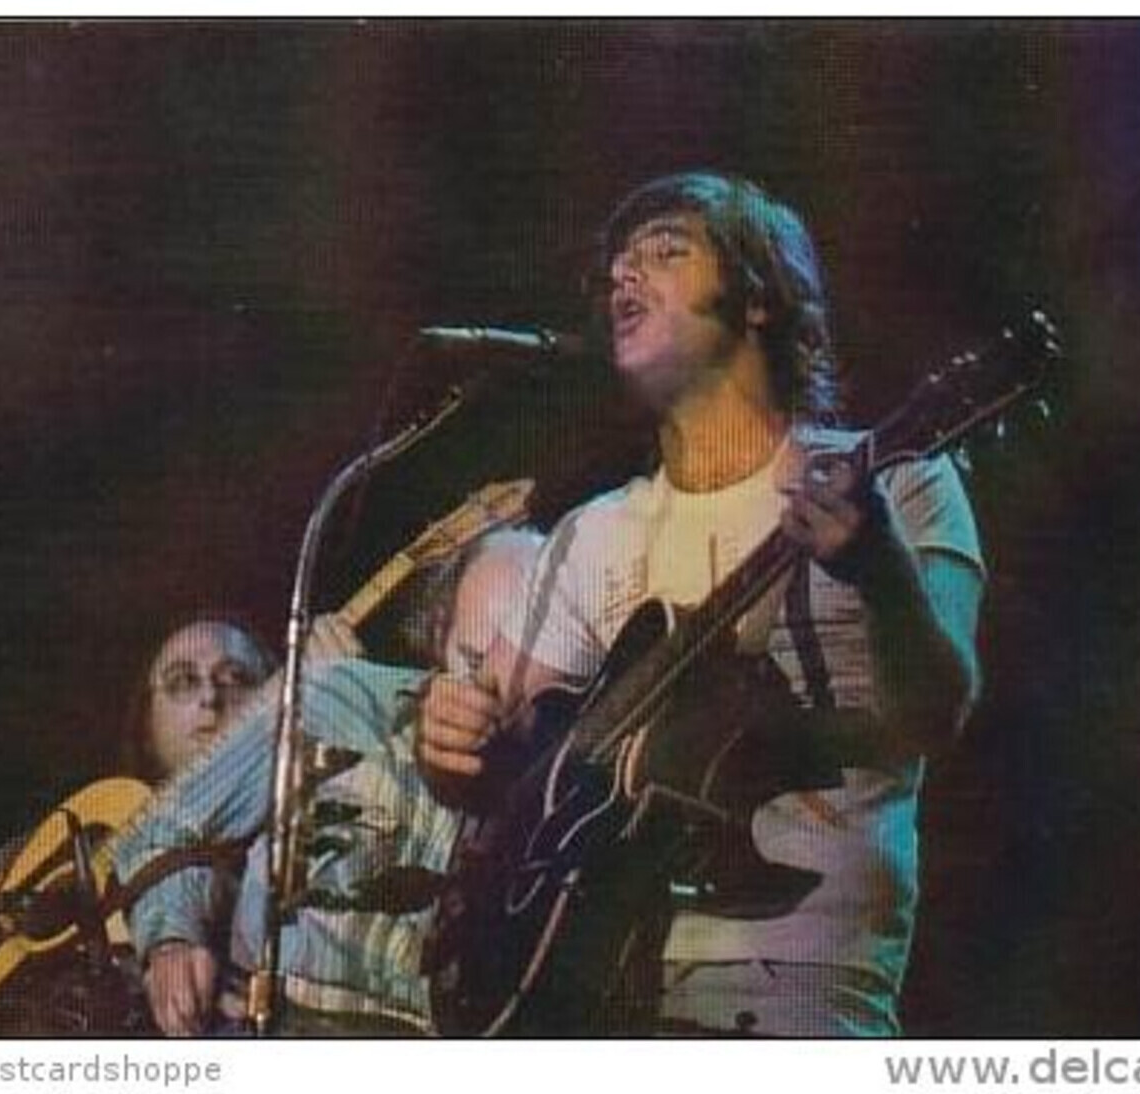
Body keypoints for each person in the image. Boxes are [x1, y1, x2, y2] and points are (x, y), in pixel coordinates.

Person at [416, 172, 985, 1036]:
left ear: (757, 297)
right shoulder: (592, 533)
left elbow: (936, 714)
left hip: (795, 987)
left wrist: (878, 570)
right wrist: (447, 745)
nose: (624, 276)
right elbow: (498, 767)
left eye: (665, 251)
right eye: (616, 267)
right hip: (593, 986)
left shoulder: (897, 479)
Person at [111, 529, 542, 1036]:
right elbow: (165, 828)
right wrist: (172, 940)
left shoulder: (563, 790)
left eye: (524, 668)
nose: (488, 694)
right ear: (438, 633)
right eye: (472, 661)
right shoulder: (338, 696)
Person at [0, 618, 277, 1034]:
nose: (210, 698)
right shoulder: (97, 815)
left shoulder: (285, 842)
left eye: (236, 678)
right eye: (182, 681)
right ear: (146, 719)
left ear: (277, 701)